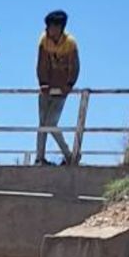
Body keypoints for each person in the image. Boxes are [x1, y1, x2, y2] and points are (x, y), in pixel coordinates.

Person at [35, 10, 79, 165]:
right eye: (48, 27)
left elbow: (75, 66)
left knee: (50, 123)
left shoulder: (70, 43)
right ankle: (39, 157)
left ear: (60, 27)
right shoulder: (44, 40)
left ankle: (69, 155)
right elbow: (41, 63)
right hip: (46, 88)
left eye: (52, 27)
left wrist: (69, 84)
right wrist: (42, 83)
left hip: (61, 89)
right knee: (42, 123)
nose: (49, 30)